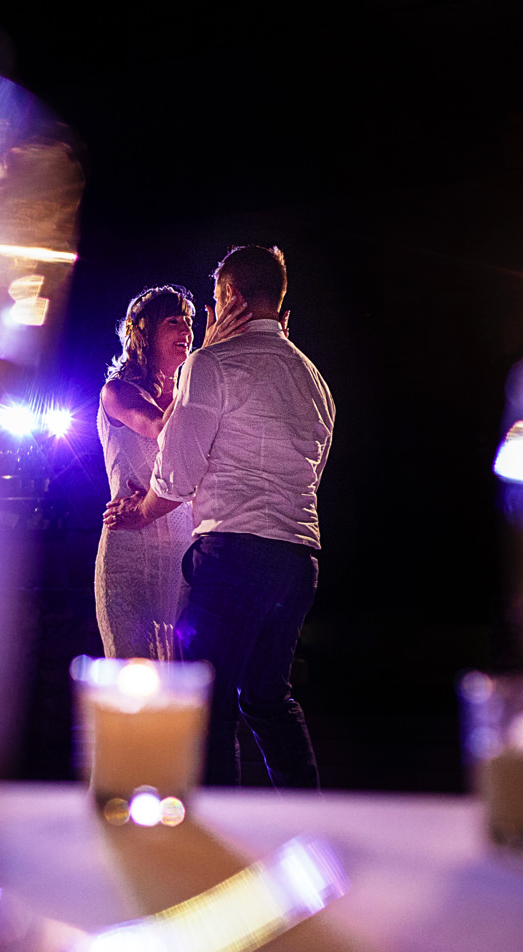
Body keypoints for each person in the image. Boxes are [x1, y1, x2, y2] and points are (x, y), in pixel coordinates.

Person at [104, 246, 335, 788]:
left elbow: (179, 471)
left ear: (229, 297)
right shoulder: (314, 378)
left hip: (234, 555)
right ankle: (308, 820)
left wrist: (140, 512)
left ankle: (213, 842)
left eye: (212, 300)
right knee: (266, 698)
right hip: (299, 559)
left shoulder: (210, 365)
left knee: (205, 705)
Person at [92, 285, 200, 659]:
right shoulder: (117, 392)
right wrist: (206, 361)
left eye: (190, 322)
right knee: (131, 676)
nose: (187, 331)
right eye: (174, 322)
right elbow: (160, 429)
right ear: (145, 332)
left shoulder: (194, 397)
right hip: (129, 553)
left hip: (185, 559)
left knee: (179, 682)